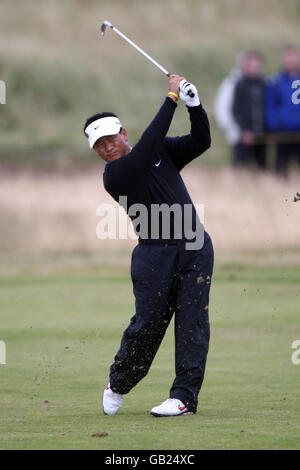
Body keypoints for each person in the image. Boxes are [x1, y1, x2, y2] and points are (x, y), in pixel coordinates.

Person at [83, 74, 214, 417]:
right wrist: (171, 97)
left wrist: (195, 105)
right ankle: (119, 382)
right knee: (148, 326)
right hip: (154, 255)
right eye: (99, 145)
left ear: (122, 133)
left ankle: (183, 397)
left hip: (195, 247)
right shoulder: (115, 175)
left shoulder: (160, 150)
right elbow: (143, 154)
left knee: (192, 322)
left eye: (110, 139)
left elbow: (201, 142)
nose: (107, 147)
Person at [265, 46, 300, 175]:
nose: (291, 62)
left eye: (293, 58)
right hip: (283, 132)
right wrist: (273, 127)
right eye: (288, 59)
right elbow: (270, 106)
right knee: (281, 166)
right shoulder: (276, 81)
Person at [232, 50, 266, 169]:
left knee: (261, 167)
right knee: (240, 167)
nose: (254, 69)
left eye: (257, 66)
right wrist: (244, 130)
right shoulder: (240, 84)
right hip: (244, 136)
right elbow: (236, 110)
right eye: (251, 66)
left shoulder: (263, 83)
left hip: (261, 134)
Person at [214, 53, 243, 147]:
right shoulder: (231, 83)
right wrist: (232, 128)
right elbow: (222, 107)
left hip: (259, 136)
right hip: (237, 134)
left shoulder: (260, 81)